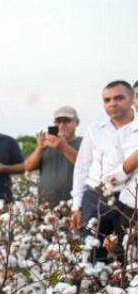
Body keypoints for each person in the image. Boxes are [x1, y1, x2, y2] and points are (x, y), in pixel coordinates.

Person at [71, 81, 136, 262]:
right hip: (95, 197)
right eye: (107, 100)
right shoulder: (94, 129)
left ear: (131, 99)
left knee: (127, 254)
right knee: (92, 252)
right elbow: (82, 167)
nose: (112, 103)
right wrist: (77, 205)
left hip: (129, 201)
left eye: (118, 98)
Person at [23, 106, 82, 206]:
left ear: (77, 122)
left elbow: (85, 165)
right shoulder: (47, 145)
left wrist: (63, 147)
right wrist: (40, 148)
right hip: (47, 208)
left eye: (66, 121)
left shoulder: (84, 143)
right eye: (58, 122)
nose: (61, 125)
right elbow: (28, 167)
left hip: (75, 206)